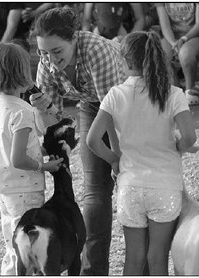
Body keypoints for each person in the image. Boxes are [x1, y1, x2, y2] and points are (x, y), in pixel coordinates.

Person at [86, 31, 199, 275]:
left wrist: (114, 160)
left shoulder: (115, 95)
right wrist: (177, 147)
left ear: (124, 61)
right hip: (165, 185)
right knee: (157, 258)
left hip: (130, 186)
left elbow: (92, 140)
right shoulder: (174, 94)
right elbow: (190, 137)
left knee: (133, 259)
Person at [28, 6, 126, 275]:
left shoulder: (96, 50)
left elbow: (115, 112)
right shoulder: (46, 62)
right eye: (43, 52)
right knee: (95, 190)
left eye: (56, 52)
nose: (50, 59)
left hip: (128, 104)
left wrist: (116, 158)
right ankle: (93, 272)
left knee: (132, 183)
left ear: (74, 38)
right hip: (91, 104)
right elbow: (49, 127)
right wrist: (41, 109)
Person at [0, 42, 64, 275]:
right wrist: (44, 165)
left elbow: (13, 147)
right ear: (22, 72)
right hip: (25, 189)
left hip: (6, 189)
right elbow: (18, 158)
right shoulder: (21, 110)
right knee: (29, 249)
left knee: (13, 245)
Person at [156, 3, 199, 97]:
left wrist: (184, 39)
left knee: (185, 53)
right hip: (172, 37)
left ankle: (190, 91)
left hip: (195, 35)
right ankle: (176, 92)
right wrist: (173, 43)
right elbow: (165, 26)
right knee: (160, 54)